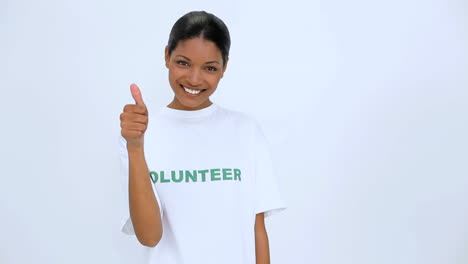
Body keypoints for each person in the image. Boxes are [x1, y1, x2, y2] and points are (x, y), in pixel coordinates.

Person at [118, 10, 286, 264]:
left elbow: (257, 230)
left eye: (209, 68)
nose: (194, 79)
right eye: (183, 63)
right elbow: (150, 236)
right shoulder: (140, 132)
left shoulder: (246, 131)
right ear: (167, 56)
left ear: (224, 68)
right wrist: (135, 147)